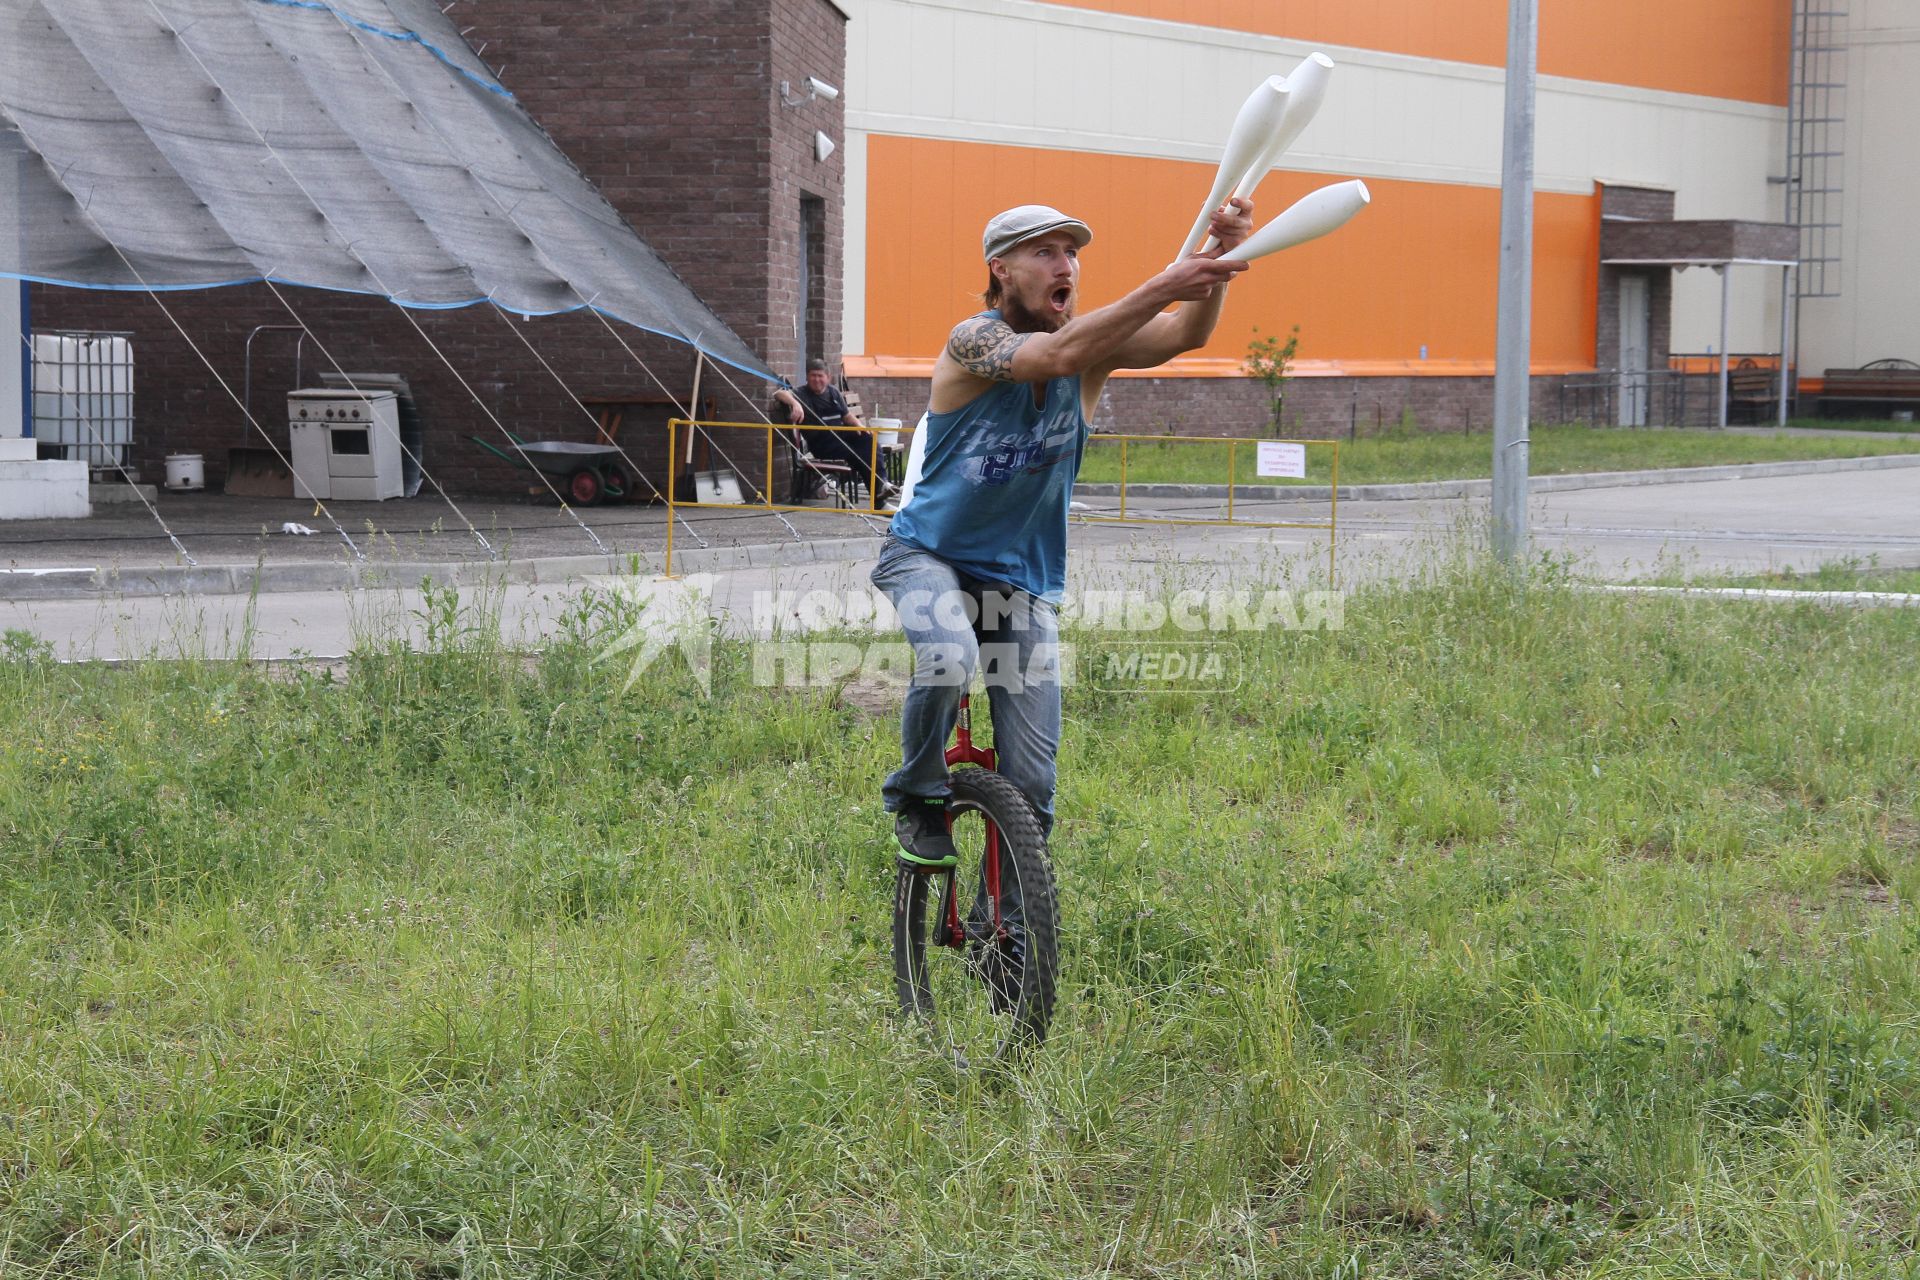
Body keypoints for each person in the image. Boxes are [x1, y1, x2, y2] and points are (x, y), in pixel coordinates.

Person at [874, 198, 1254, 870]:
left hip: (1020, 580)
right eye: (1046, 252)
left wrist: (1215, 265)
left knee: (1035, 784)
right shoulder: (974, 341)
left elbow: (1182, 336)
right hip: (928, 555)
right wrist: (1168, 279)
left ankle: (1015, 935)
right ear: (1002, 269)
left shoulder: (1090, 349)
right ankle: (916, 794)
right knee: (950, 656)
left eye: (1072, 254)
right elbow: (1055, 354)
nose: (1067, 265)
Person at [774, 358, 898, 508]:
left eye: (820, 376)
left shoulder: (833, 392)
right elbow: (778, 393)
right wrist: (795, 403)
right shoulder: (802, 394)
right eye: (813, 375)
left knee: (868, 439)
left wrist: (860, 427)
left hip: (840, 437)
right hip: (821, 443)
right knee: (858, 454)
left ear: (828, 377)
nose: (817, 379)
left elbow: (847, 416)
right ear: (807, 377)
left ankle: (882, 484)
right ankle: (879, 500)